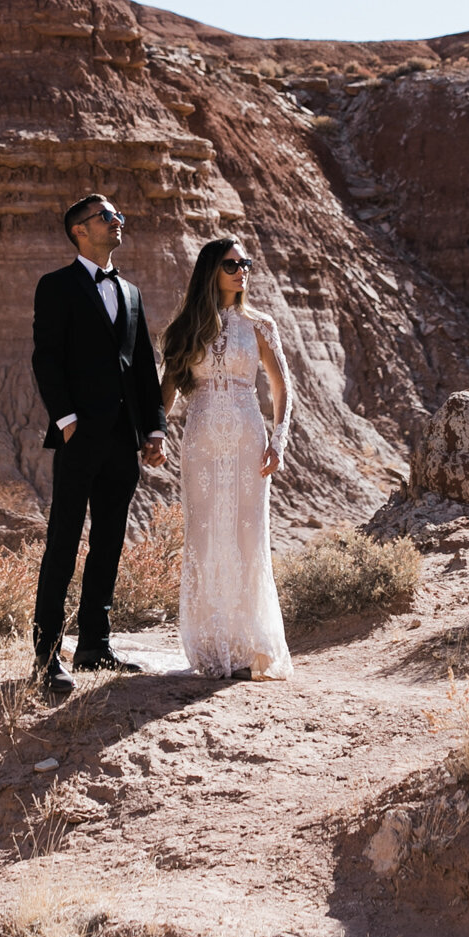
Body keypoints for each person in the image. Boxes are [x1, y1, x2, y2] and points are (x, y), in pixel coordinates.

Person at [28, 192, 169, 695]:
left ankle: (94, 644)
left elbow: (145, 368)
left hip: (123, 440)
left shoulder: (130, 291)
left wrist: (154, 429)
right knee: (63, 543)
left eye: (119, 215)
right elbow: (47, 358)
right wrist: (66, 420)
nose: (117, 222)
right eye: (107, 217)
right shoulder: (56, 286)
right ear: (80, 230)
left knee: (109, 541)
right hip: (79, 436)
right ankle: (46, 657)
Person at [161, 236, 293, 681]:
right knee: (204, 534)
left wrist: (278, 440)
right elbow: (169, 389)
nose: (242, 271)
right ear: (211, 271)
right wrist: (156, 434)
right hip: (199, 440)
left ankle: (246, 645)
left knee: (244, 534)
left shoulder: (260, 325)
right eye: (232, 264)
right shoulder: (187, 327)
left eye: (246, 264)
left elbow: (281, 389)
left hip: (246, 439)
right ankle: (208, 644)